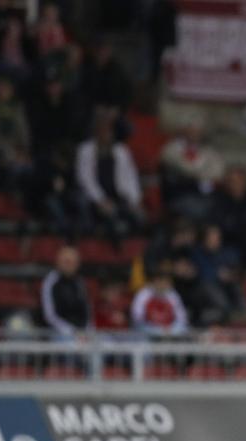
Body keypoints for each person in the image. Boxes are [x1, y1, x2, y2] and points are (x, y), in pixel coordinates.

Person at [76, 112, 143, 244]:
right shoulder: (86, 150)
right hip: (95, 198)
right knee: (111, 218)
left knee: (139, 218)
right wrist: (100, 200)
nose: (106, 134)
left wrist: (134, 200)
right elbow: (85, 179)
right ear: (97, 131)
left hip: (118, 196)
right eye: (103, 130)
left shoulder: (122, 151)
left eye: (109, 131)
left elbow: (131, 177)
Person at [41, 246, 90, 339]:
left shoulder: (80, 282)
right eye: (67, 262)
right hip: (59, 333)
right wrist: (72, 332)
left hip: (82, 333)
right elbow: (50, 316)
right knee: (72, 346)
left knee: (103, 347)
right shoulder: (51, 282)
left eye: (73, 262)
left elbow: (87, 310)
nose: (70, 265)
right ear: (58, 262)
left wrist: (86, 331)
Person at [131, 265, 188, 338]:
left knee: (183, 331)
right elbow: (137, 319)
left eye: (167, 283)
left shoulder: (173, 295)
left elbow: (182, 319)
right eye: (162, 282)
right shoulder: (143, 295)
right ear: (155, 281)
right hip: (147, 333)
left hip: (170, 333)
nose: (164, 285)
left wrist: (171, 330)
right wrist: (158, 331)